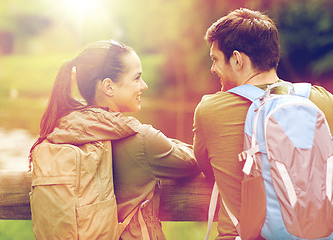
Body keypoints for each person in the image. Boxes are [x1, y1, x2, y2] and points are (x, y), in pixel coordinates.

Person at [29, 39, 199, 240]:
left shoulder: (63, 131)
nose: (144, 85)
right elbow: (194, 161)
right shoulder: (142, 140)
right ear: (108, 87)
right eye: (136, 78)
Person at [193, 8, 333, 240]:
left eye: (215, 59)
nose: (213, 68)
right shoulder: (322, 101)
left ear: (237, 60)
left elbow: (205, 166)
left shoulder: (210, 110)